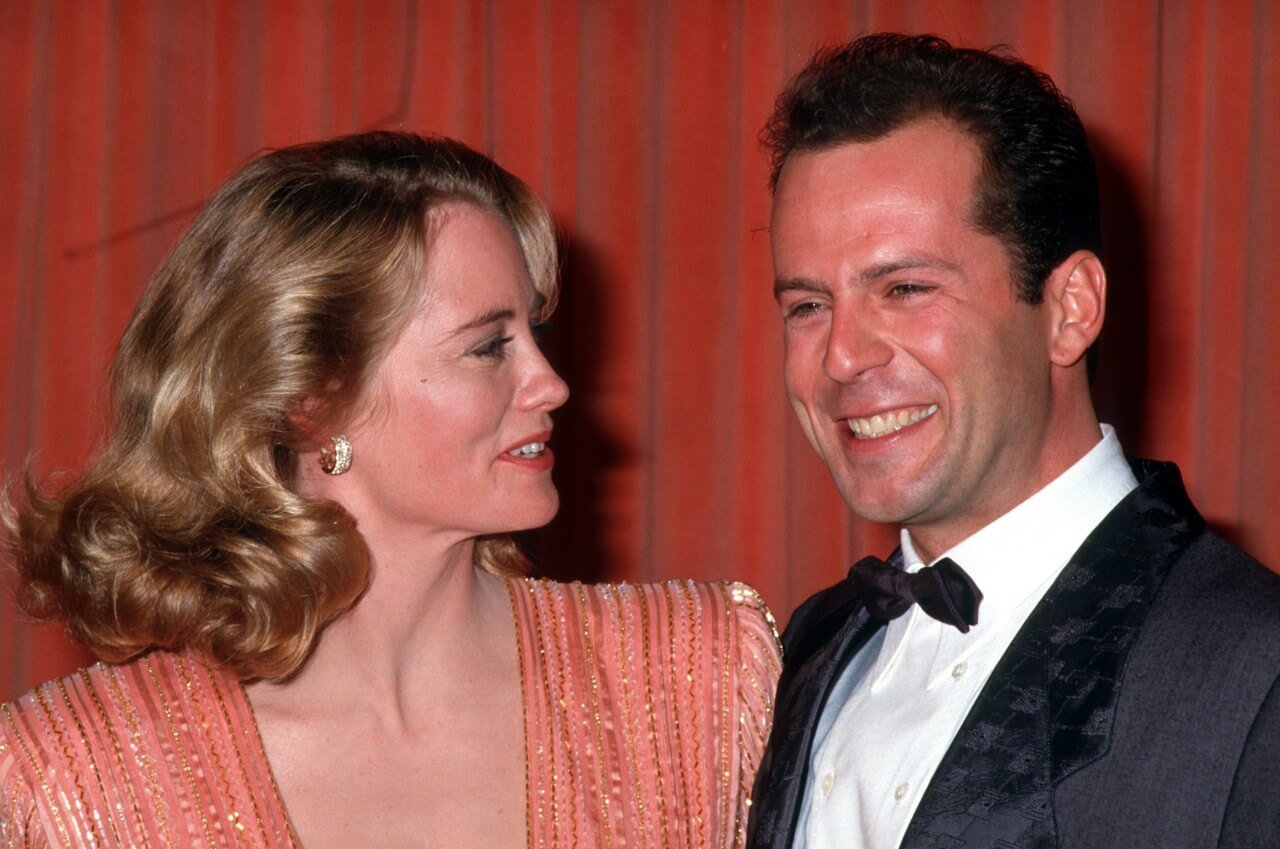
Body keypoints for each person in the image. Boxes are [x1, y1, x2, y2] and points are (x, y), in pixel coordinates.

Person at [0, 131, 781, 848]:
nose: (552, 383)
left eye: (533, 335)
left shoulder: (699, 681)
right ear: (311, 399)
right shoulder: (73, 777)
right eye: (487, 347)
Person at [747, 33, 1280, 849]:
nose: (842, 356)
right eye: (808, 305)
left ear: (1069, 309)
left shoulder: (1254, 671)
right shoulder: (807, 648)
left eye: (906, 288)